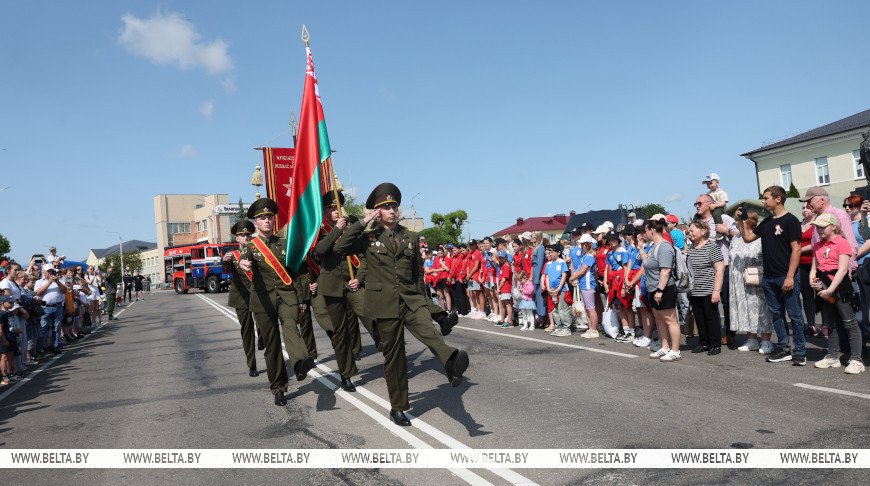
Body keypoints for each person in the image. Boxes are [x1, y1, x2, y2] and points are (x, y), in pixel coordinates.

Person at [334, 182, 469, 427]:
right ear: (378, 212)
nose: (393, 211)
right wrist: (364, 221)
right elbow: (340, 247)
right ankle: (398, 407)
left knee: (429, 332)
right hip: (384, 304)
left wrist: (425, 302)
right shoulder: (367, 237)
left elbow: (417, 274)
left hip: (411, 299)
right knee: (395, 357)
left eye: (395, 206)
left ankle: (450, 361)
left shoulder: (411, 236)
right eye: (386, 208)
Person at [238, 197, 314, 407]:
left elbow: (296, 273)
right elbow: (245, 258)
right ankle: (279, 387)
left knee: (290, 325)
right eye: (262, 218)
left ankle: (300, 362)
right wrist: (243, 263)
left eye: (270, 217)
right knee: (272, 345)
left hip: (286, 296)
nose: (267, 220)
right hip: (263, 300)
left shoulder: (285, 243)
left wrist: (301, 300)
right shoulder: (250, 246)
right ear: (255, 223)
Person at [314, 190, 383, 392]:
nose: (336, 211)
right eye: (331, 208)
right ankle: (346, 374)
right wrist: (336, 230)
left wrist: (359, 279)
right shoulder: (321, 231)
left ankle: (381, 339)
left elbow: (362, 258)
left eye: (338, 207)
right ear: (325, 211)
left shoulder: (351, 230)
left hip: (352, 284)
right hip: (331, 286)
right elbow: (320, 250)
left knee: (368, 309)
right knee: (341, 333)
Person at [737, 185, 805, 365]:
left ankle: (800, 351)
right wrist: (740, 221)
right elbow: (748, 238)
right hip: (769, 277)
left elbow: (797, 249)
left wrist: (790, 276)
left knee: (795, 315)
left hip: (786, 275)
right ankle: (783, 348)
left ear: (778, 199)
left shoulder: (791, 220)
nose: (763, 201)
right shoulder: (766, 222)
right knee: (777, 314)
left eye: (766, 198)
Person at [809, 214, 864, 374]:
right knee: (830, 323)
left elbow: (843, 270)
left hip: (839, 288)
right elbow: (814, 268)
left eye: (823, 226)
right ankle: (833, 356)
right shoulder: (817, 245)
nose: (819, 229)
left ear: (833, 226)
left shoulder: (842, 242)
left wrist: (830, 290)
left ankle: (856, 359)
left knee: (849, 322)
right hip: (823, 286)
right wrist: (813, 282)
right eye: (817, 227)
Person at [729, 212, 774, 353]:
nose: (736, 223)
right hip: (739, 280)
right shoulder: (736, 238)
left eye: (739, 221)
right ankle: (752, 339)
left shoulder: (760, 237)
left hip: (757, 278)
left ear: (748, 223)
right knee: (746, 309)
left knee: (761, 308)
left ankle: (766, 341)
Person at [641, 219, 683, 361]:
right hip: (654, 288)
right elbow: (647, 263)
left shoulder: (664, 247)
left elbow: (666, 271)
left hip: (664, 288)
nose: (644, 234)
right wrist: (640, 248)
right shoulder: (654, 246)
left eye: (646, 230)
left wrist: (659, 290)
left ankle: (675, 350)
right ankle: (665, 347)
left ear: (652, 230)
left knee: (670, 319)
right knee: (659, 320)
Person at [223, 219, 259, 378]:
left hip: (258, 295)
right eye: (243, 235)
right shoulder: (233, 255)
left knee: (264, 325)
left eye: (248, 235)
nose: (246, 237)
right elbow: (225, 264)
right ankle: (252, 364)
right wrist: (225, 260)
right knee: (247, 330)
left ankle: (262, 334)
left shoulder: (257, 252)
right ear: (237, 238)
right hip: (241, 297)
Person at [686, 221, 725, 356]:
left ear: (703, 232)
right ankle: (703, 342)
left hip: (709, 290)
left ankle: (715, 344)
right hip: (694, 290)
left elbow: (720, 269)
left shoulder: (712, 247)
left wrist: (716, 291)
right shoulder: (691, 248)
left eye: (692, 230)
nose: (689, 233)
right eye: (689, 231)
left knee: (711, 318)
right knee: (699, 319)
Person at [844, 195, 870, 355]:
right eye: (845, 205)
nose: (847, 208)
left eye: (851, 205)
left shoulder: (866, 220)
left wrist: (851, 258)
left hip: (864, 266)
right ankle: (860, 347)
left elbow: (868, 242)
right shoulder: (845, 224)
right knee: (857, 307)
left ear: (860, 206)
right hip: (850, 268)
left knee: (865, 306)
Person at [570, 234, 599, 339]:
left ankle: (594, 330)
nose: (582, 246)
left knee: (591, 308)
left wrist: (572, 278)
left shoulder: (589, 256)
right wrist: (575, 278)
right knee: (587, 308)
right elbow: (579, 270)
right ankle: (590, 328)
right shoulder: (585, 256)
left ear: (588, 244)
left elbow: (582, 271)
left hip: (588, 285)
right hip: (583, 284)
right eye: (582, 244)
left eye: (584, 244)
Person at [799, 202, 819, 337]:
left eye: (808, 208)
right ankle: (811, 325)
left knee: (820, 293)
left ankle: (826, 324)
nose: (805, 210)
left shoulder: (817, 224)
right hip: (801, 264)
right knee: (807, 296)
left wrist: (798, 250)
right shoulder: (799, 225)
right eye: (803, 208)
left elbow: (816, 244)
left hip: (815, 264)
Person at [530, 231, 547, 327]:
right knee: (536, 297)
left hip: (539, 275)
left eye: (532, 236)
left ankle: (544, 318)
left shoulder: (541, 248)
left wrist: (537, 279)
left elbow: (540, 264)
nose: (531, 238)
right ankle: (540, 317)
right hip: (535, 273)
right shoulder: (535, 248)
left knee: (540, 298)